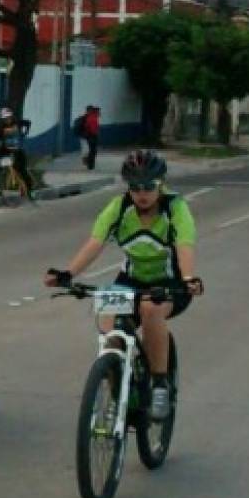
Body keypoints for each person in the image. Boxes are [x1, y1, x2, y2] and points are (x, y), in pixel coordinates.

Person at [44, 150, 203, 420]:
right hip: (130, 281)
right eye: (135, 187)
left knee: (150, 310)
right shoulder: (119, 207)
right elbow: (95, 243)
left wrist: (188, 278)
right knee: (110, 329)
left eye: (149, 187)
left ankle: (160, 384)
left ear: (161, 183)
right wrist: (68, 273)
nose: (142, 194)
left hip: (170, 283)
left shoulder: (175, 209)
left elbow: (184, 245)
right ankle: (119, 383)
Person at [0, 106, 36, 198]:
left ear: (11, 117)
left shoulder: (17, 122)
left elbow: (28, 123)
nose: (7, 120)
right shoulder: (1, 127)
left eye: (8, 117)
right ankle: (1, 189)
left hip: (18, 149)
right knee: (1, 168)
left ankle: (30, 190)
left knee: (22, 170)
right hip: (6, 150)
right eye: (5, 118)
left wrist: (25, 133)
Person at [80, 105, 101, 170]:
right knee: (93, 151)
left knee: (92, 150)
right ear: (95, 112)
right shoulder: (92, 118)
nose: (99, 113)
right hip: (92, 136)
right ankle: (90, 165)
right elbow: (92, 128)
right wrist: (95, 133)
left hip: (90, 136)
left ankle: (90, 164)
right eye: (98, 111)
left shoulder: (92, 117)